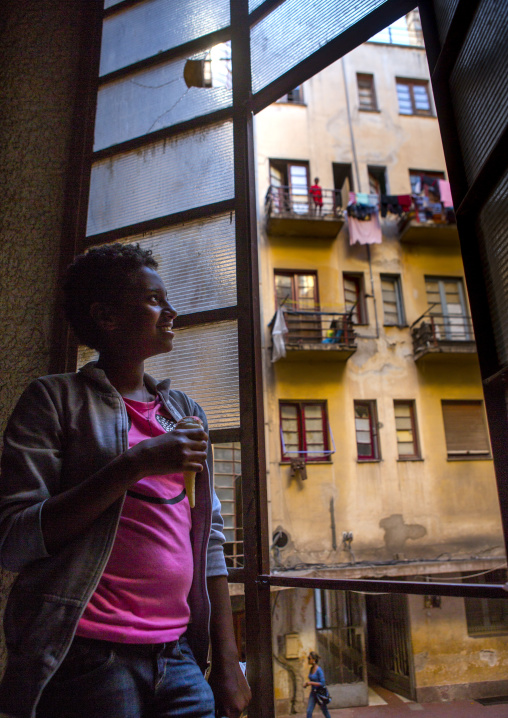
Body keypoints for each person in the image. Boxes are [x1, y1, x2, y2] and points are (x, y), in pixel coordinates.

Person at [0, 244, 251, 718]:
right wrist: (133, 464)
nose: (172, 311)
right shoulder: (53, 401)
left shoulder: (187, 415)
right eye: (155, 300)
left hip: (178, 657)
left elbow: (209, 543)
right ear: (107, 317)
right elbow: (14, 539)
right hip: (87, 657)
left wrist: (227, 661)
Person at [303, 652, 331, 718]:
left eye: (309, 658)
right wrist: (307, 684)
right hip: (313, 693)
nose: (308, 660)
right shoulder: (311, 669)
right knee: (309, 711)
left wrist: (310, 683)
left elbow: (322, 683)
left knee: (325, 711)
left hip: (320, 693)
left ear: (314, 660)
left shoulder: (319, 670)